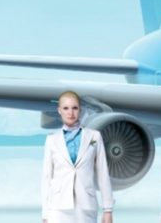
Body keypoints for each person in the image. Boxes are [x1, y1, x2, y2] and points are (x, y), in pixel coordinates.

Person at [41, 91, 113, 223]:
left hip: (86, 206)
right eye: (66, 108)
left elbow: (103, 174)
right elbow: (47, 179)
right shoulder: (51, 140)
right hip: (57, 208)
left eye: (74, 108)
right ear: (59, 111)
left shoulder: (94, 136)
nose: (70, 112)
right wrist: (45, 214)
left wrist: (108, 209)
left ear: (80, 110)